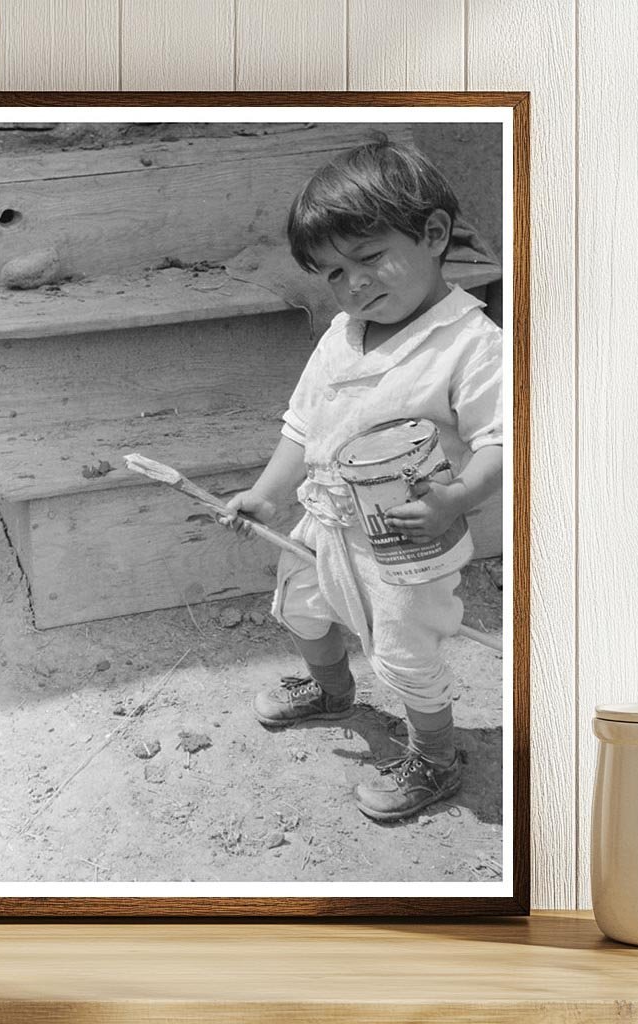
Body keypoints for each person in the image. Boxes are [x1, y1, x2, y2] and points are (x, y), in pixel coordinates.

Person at [222, 139, 503, 822]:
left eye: (370, 257)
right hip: (324, 519)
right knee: (301, 608)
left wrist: (458, 498)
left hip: (406, 542)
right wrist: (267, 495)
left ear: (433, 234)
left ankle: (435, 756)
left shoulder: (471, 345)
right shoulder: (342, 335)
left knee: (405, 652)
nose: (353, 284)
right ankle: (331, 690)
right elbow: (303, 426)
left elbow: (504, 439)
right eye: (333, 272)